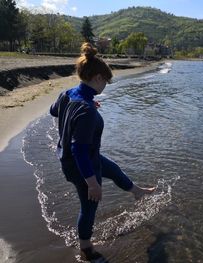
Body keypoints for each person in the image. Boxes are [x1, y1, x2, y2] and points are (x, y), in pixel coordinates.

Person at [49, 42, 155, 261]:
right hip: (81, 164)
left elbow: (54, 110)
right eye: (106, 81)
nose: (106, 85)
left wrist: (85, 106)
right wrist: (93, 183)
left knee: (113, 169)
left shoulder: (68, 94)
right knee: (89, 208)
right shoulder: (86, 110)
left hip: (75, 159)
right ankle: (87, 250)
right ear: (97, 78)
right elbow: (78, 149)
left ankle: (136, 191)